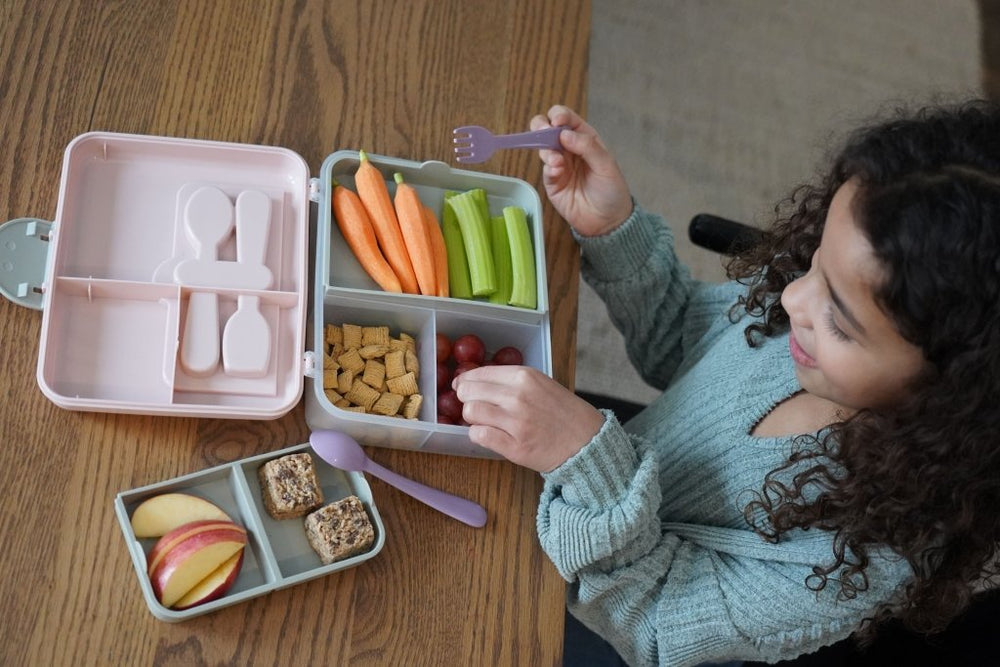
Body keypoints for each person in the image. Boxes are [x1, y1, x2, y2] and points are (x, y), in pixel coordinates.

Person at [451, 100, 1000, 666]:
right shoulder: (799, 319)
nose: (792, 298)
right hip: (575, 482)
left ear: (953, 395)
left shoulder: (857, 557)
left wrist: (591, 467)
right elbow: (681, 341)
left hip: (588, 610)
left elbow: (655, 628)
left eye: (839, 318)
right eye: (814, 261)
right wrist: (614, 229)